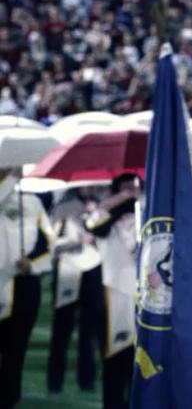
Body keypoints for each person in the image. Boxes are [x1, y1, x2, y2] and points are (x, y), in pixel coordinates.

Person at [85, 173, 141, 409]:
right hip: (114, 292)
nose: (130, 190)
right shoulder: (104, 211)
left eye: (134, 185)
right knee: (115, 360)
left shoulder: (147, 211)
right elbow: (94, 225)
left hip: (146, 294)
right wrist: (120, 200)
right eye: (124, 186)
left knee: (143, 361)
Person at [0, 169, 51, 408]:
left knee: (16, 348)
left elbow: (50, 245)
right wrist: (8, 181)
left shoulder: (34, 202)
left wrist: (32, 264)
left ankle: (10, 398)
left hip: (25, 285)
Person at [45, 186, 100, 394]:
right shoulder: (63, 207)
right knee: (62, 329)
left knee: (89, 331)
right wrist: (75, 240)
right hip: (67, 270)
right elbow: (52, 243)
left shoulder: (101, 205)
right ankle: (54, 380)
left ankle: (86, 379)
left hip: (94, 270)